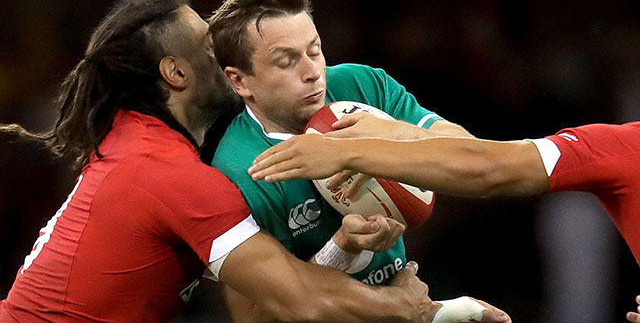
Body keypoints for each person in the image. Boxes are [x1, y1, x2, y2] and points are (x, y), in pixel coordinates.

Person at [0, 0, 455, 323]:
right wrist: (411, 307)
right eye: (209, 47)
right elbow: (296, 298)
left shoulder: (135, 140)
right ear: (176, 72)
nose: (224, 56)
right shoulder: (172, 174)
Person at [208, 0, 509, 322]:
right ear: (240, 81)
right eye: (286, 61)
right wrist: (343, 247)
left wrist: (387, 138)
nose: (312, 73)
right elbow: (258, 317)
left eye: (314, 50)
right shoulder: (237, 172)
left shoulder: (360, 86)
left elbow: (476, 162)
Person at [248, 112, 640, 322]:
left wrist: (348, 153)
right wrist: (401, 133)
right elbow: (489, 160)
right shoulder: (624, 149)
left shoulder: (626, 148)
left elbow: (491, 169)